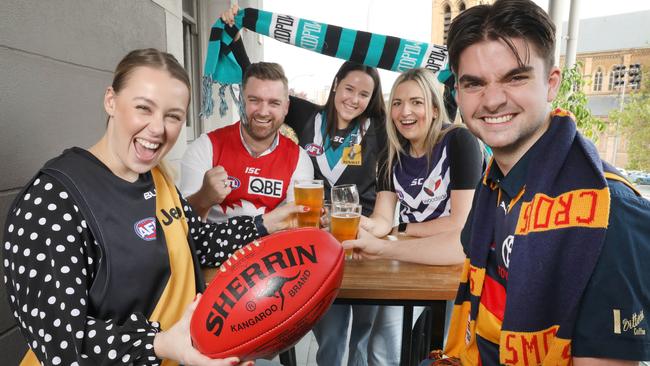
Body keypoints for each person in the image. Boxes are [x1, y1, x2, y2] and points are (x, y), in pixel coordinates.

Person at [2, 48, 302, 366]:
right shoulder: (53, 198)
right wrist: (158, 344)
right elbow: (61, 343)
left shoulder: (155, 176)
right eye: (144, 108)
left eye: (173, 116)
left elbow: (196, 241)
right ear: (111, 101)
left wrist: (265, 224)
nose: (158, 128)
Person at [419, 0, 650, 365]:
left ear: (551, 84)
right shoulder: (494, 183)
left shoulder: (611, 210)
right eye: (474, 83)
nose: (493, 100)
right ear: (458, 95)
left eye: (515, 77)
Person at [219, 6, 388, 365]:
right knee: (332, 331)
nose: (353, 99)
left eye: (364, 94)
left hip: (364, 240)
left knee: (363, 335)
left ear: (371, 99)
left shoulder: (379, 132)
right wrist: (235, 37)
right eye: (349, 89)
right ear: (336, 86)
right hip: (320, 241)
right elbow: (262, 86)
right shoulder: (307, 115)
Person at [353, 68, 483, 365]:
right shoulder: (391, 152)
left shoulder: (459, 141)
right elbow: (383, 217)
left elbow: (460, 224)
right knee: (383, 342)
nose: (404, 111)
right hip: (412, 258)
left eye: (416, 102)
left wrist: (404, 227)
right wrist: (364, 225)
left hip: (456, 265)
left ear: (435, 108)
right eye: (397, 103)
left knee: (448, 349)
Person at [180, 62, 314, 225]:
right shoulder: (205, 146)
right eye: (254, 100)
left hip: (273, 248)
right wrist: (203, 197)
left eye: (274, 103)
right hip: (215, 248)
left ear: (285, 108)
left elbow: (297, 225)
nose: (263, 112)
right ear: (241, 102)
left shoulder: (299, 158)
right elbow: (182, 223)